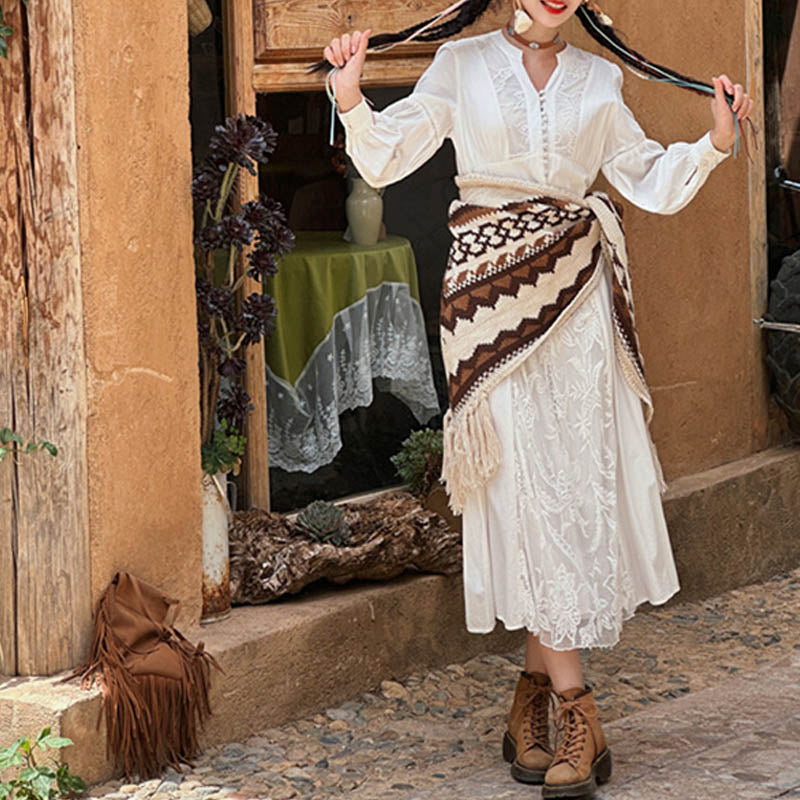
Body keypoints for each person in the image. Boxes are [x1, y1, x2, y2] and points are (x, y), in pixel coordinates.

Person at [322, 2, 754, 798]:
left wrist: (715, 145)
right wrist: (351, 98)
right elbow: (387, 157)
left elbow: (642, 177)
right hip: (489, 306)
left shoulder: (600, 76)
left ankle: (533, 698)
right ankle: (576, 706)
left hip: (578, 310)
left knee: (565, 494)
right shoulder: (462, 64)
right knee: (523, 492)